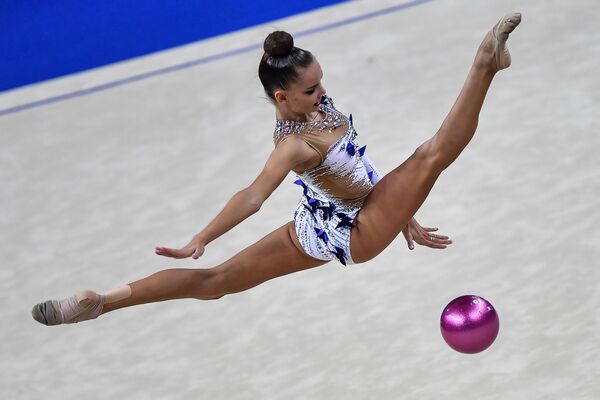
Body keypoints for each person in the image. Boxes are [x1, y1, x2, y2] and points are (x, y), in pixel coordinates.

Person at [32, 12, 521, 326]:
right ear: (281, 97)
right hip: (355, 230)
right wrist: (200, 239)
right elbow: (251, 196)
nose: (323, 94)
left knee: (216, 283)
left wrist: (402, 209)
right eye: (311, 90)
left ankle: (101, 302)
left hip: (318, 225)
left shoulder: (316, 108)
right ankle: (484, 63)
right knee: (432, 154)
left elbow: (353, 165)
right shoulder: (291, 145)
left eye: (322, 81)